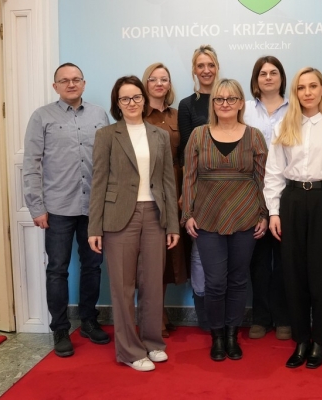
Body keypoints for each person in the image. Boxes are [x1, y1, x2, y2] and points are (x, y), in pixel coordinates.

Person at [264, 67, 322, 369]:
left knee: (321, 273)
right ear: (296, 92)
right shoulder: (284, 126)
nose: (307, 92)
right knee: (293, 274)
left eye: (313, 86)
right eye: (301, 87)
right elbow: (274, 172)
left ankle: (319, 341)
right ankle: (301, 340)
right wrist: (274, 211)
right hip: (291, 201)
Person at [88, 76, 179, 372]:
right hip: (118, 217)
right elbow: (98, 181)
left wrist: (172, 225)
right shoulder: (106, 135)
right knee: (123, 286)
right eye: (125, 98)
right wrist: (94, 227)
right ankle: (129, 350)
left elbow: (167, 182)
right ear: (117, 103)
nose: (132, 103)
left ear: (144, 99)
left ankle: (152, 342)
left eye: (136, 97)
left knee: (152, 283)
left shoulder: (159, 135)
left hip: (154, 214)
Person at [23, 62, 110, 358]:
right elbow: (32, 163)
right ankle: (60, 328)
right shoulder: (41, 117)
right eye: (64, 80)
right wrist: (36, 206)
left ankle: (88, 321)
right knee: (57, 269)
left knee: (93, 266)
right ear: (55, 86)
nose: (71, 84)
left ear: (84, 83)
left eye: (76, 79)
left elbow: (109, 160)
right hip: (57, 207)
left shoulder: (100, 115)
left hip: (93, 206)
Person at [182, 78, 268, 361]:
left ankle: (232, 334)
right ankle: (217, 335)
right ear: (213, 104)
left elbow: (263, 179)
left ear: (241, 103)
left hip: (246, 215)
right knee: (216, 281)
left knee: (239, 280)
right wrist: (188, 214)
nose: (225, 104)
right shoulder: (198, 135)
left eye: (231, 99)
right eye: (219, 99)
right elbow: (189, 177)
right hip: (207, 216)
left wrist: (264, 214)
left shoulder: (254, 136)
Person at [243, 56, 291, 341]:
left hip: (289, 192)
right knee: (258, 261)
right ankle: (260, 317)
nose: (269, 77)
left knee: (285, 260)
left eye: (274, 72)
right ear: (256, 79)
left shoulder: (295, 109)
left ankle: (284, 317)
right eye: (263, 73)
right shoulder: (245, 110)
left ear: (282, 77)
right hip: (253, 193)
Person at [142, 62, 189, 338]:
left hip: (176, 186)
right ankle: (153, 315)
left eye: (164, 79)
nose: (159, 84)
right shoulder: (138, 114)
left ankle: (160, 310)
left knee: (172, 254)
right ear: (145, 83)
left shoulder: (177, 115)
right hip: (150, 189)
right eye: (153, 79)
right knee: (151, 254)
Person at [178, 44, 220, 331]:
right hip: (199, 187)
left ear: (217, 68)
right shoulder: (187, 105)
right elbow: (185, 152)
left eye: (211, 65)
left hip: (228, 187)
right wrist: (186, 192)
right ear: (194, 70)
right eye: (201, 65)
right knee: (198, 250)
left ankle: (223, 310)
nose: (206, 70)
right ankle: (203, 310)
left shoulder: (227, 98)